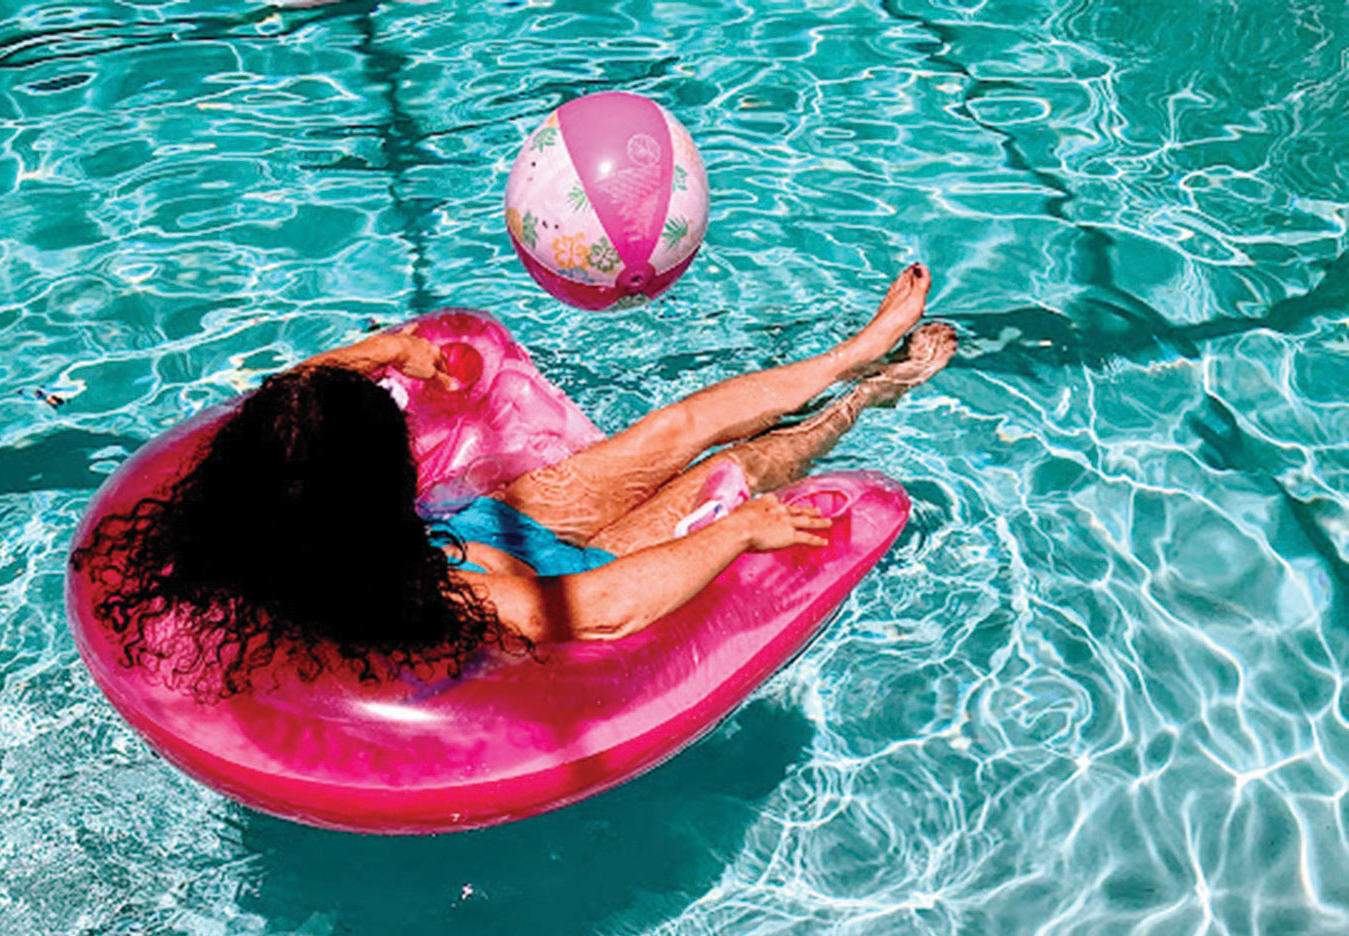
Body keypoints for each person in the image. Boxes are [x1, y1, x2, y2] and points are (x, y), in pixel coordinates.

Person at [71, 264, 955, 695]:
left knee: (674, 429)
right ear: (365, 499)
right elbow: (601, 610)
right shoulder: (420, 598)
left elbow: (288, 404)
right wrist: (735, 533)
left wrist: (381, 354)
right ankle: (865, 399)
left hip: (481, 530)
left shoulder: (259, 504)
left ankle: (854, 351)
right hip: (561, 582)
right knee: (727, 473)